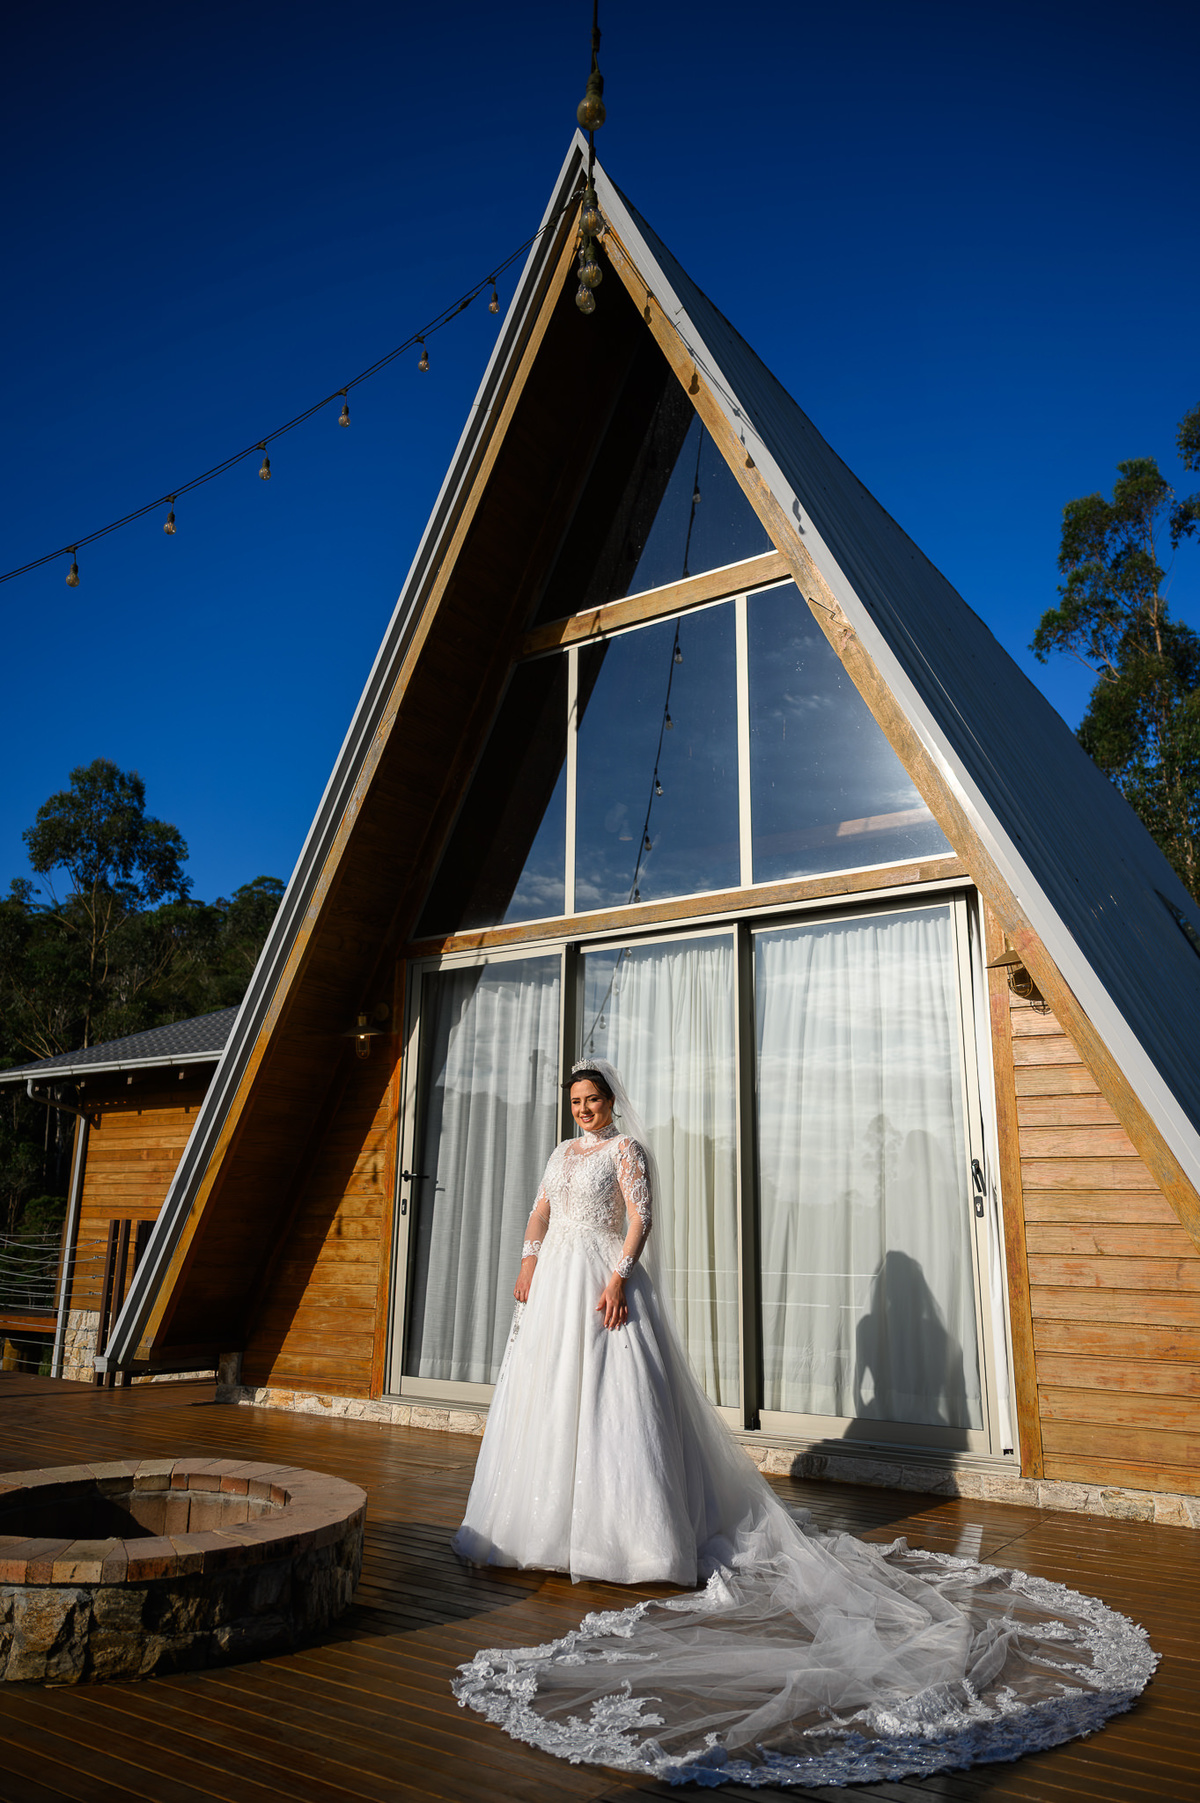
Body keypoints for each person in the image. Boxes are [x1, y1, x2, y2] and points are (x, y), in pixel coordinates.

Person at [452, 1058, 1156, 1789]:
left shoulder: (627, 1150)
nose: (584, 1109)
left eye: (593, 1099)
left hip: (605, 1280)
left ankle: (627, 1537)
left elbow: (640, 1217)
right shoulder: (561, 1153)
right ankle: (543, 1531)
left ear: (609, 1102)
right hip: (555, 1283)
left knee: (615, 1407)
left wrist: (619, 1276)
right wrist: (528, 1261)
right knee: (549, 1402)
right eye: (576, 1100)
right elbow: (540, 1212)